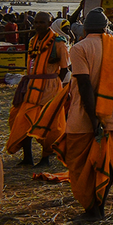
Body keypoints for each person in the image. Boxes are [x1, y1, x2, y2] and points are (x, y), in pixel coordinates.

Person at [66, 10, 113, 219]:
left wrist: (94, 115)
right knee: (106, 160)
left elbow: (84, 83)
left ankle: (91, 209)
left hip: (83, 113)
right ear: (106, 28)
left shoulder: (79, 48)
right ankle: (100, 206)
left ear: (85, 28)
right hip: (111, 113)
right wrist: (106, 98)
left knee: (80, 164)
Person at [7, 12, 68, 167]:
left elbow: (64, 69)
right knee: (21, 120)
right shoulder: (33, 40)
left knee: (50, 125)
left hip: (50, 89)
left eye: (42, 22)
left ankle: (45, 158)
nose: (38, 25)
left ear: (49, 23)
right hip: (30, 89)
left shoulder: (58, 42)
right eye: (36, 23)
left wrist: (53, 85)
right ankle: (27, 158)